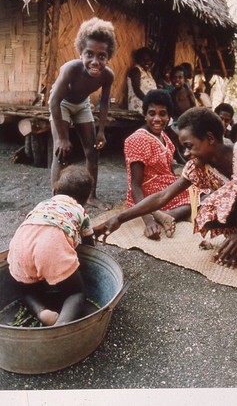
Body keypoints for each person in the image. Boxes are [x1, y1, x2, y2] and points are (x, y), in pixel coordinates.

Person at [99, 107, 237, 268]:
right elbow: (163, 196)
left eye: (189, 146)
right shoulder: (197, 165)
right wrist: (119, 218)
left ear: (210, 138)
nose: (185, 153)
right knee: (206, 206)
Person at [7, 165, 106, 326]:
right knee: (76, 293)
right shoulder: (80, 210)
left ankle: (42, 312)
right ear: (85, 200)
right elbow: (89, 247)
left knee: (26, 291)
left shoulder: (42, 205)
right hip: (50, 248)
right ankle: (60, 326)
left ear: (54, 191)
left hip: (21, 244)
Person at [48, 17, 116, 208]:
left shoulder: (108, 75)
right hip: (61, 104)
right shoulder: (70, 69)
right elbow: (54, 101)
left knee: (92, 152)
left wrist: (101, 130)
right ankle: (56, 200)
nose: (95, 61)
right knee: (60, 152)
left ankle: (91, 196)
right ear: (80, 53)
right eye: (89, 54)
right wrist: (62, 137)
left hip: (82, 105)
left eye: (102, 56)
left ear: (108, 57)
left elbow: (104, 102)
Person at [124, 89, 191, 240]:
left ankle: (166, 215)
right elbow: (135, 185)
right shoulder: (138, 139)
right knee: (200, 196)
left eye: (163, 114)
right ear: (145, 115)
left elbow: (169, 170)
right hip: (147, 195)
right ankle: (157, 214)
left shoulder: (163, 137)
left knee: (202, 190)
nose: (157, 118)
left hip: (163, 186)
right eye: (152, 113)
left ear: (169, 117)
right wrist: (148, 221)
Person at [127, 47, 157, 114]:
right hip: (139, 105)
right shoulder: (136, 70)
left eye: (148, 60)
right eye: (143, 60)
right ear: (138, 60)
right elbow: (136, 89)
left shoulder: (148, 72)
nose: (146, 62)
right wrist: (147, 101)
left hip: (149, 104)